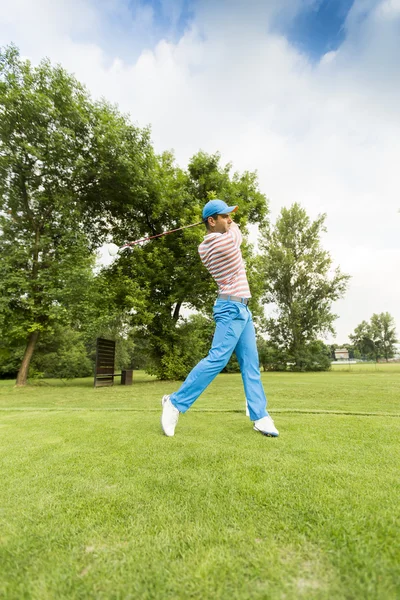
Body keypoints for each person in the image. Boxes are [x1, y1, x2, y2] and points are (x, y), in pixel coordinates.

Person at [161, 199, 279, 438]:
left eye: (229, 216)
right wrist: (230, 225)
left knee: (250, 365)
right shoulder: (218, 244)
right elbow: (238, 236)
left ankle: (260, 415)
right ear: (211, 221)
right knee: (217, 359)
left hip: (242, 308)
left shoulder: (212, 240)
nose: (230, 219)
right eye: (225, 216)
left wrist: (224, 221)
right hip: (230, 308)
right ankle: (175, 402)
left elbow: (232, 231)